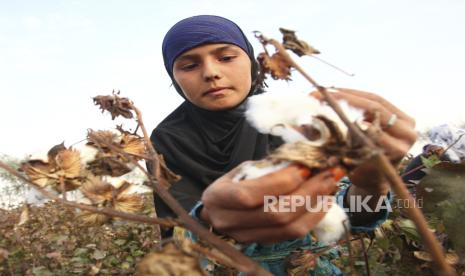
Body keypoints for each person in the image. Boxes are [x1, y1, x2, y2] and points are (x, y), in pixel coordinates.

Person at [150, 15, 417, 275]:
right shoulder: (168, 139)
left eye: (226, 57)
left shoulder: (287, 116)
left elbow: (351, 215)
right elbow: (178, 237)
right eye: (189, 66)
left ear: (252, 63)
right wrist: (209, 218)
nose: (211, 73)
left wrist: (372, 185)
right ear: (175, 79)